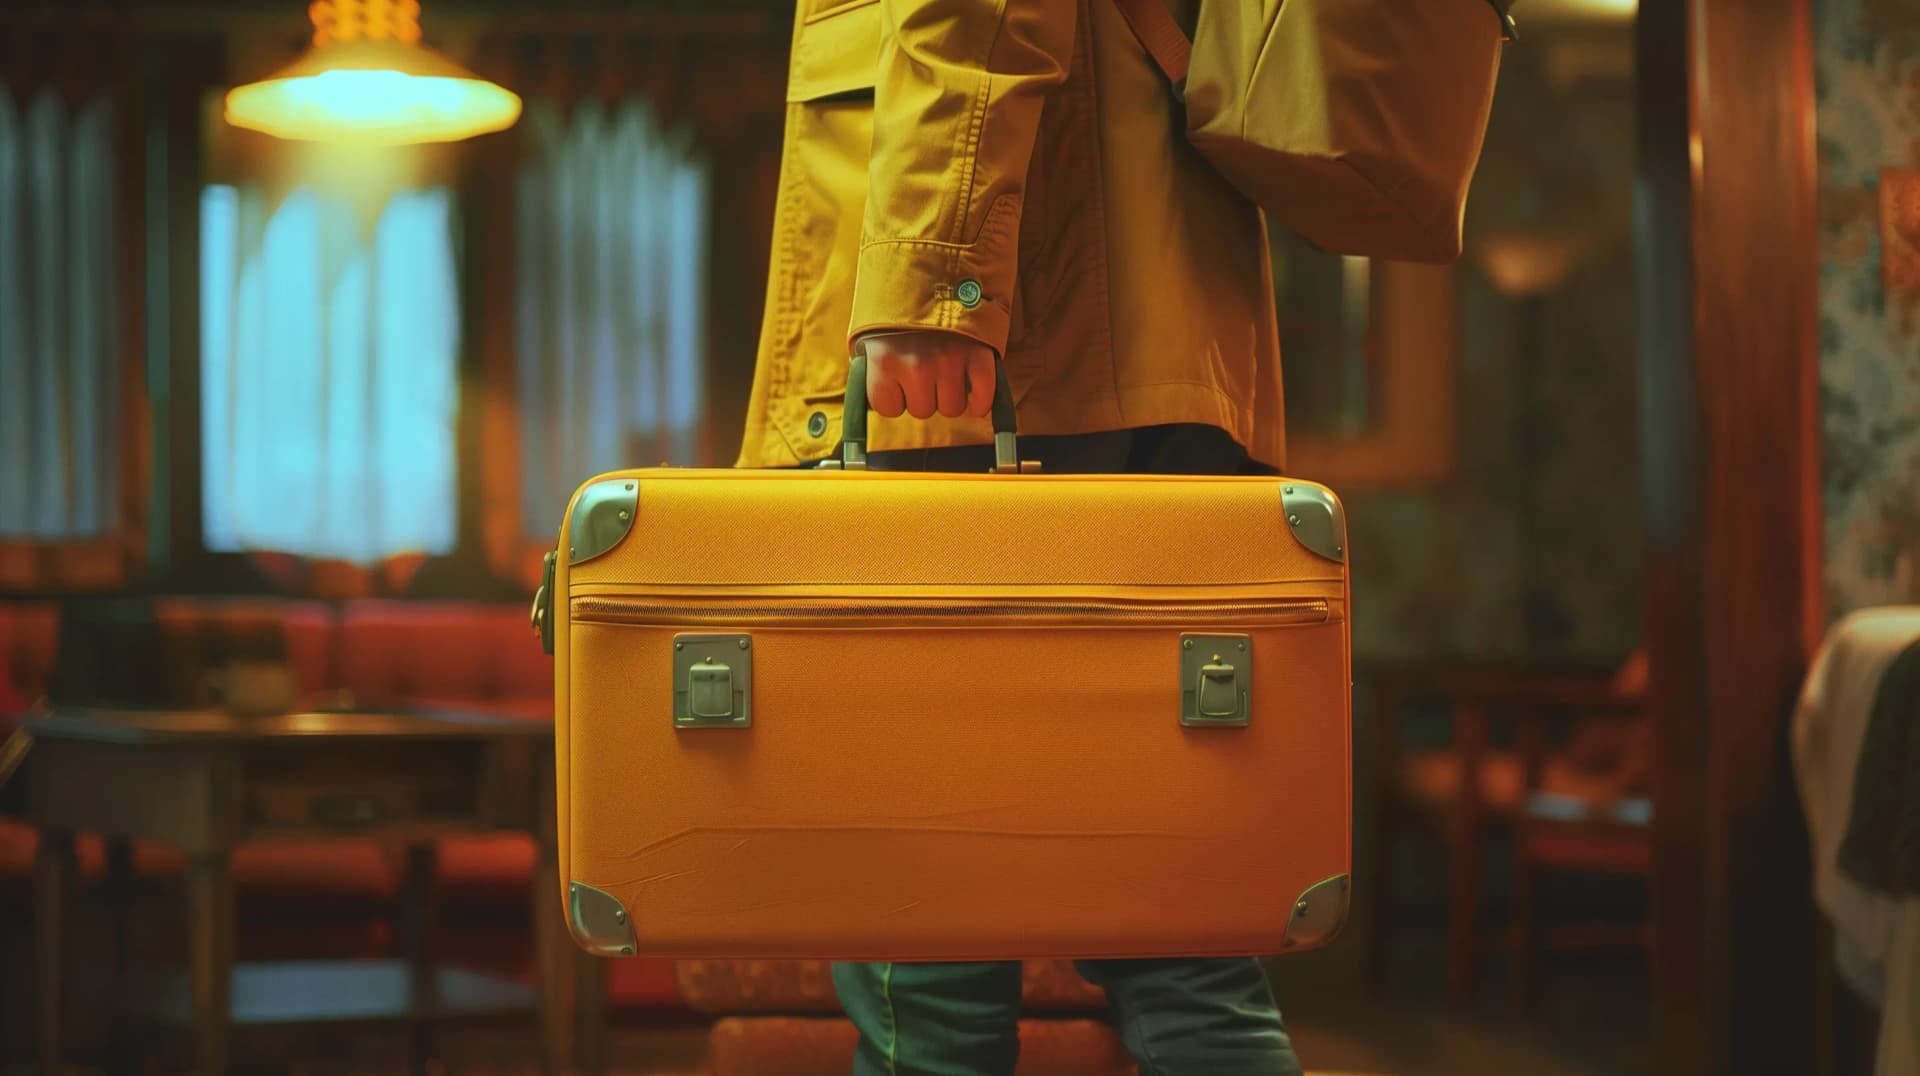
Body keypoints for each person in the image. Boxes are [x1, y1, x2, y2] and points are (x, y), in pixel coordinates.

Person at [735, 0, 1301, 1069]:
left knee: (929, 941)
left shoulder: (955, 301)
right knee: (1184, 935)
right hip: (1143, 326)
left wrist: (933, 276)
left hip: (1001, 347)